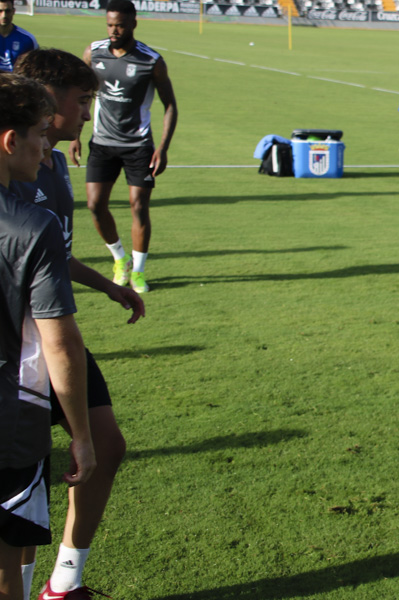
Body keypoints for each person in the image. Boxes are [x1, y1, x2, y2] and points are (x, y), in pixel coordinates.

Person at [14, 48, 143, 600]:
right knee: (25, 476)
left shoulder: (52, 162)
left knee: (106, 448)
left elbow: (52, 254)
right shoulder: (10, 169)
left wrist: (108, 285)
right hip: (21, 344)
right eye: (83, 99)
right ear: (48, 99)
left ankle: (65, 582)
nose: (90, 112)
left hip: (59, 332)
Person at [1, 72, 95, 600]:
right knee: (5, 567)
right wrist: (80, 435)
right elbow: (59, 342)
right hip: (11, 419)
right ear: (11, 140)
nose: (47, 144)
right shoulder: (31, 225)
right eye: (39, 131)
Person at [70, 0, 178, 294]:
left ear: (133, 24)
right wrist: (76, 134)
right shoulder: (94, 52)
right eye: (109, 25)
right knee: (94, 205)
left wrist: (163, 148)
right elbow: (81, 95)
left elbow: (170, 105)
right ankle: (120, 259)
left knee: (139, 207)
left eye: (119, 25)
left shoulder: (151, 61)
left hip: (138, 146)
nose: (113, 31)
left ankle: (139, 272)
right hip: (102, 144)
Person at [0, 0, 37, 73]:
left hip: (16, 83)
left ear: (13, 11)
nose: (4, 15)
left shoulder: (27, 39)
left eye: (7, 11)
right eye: (0, 11)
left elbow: (35, 69)